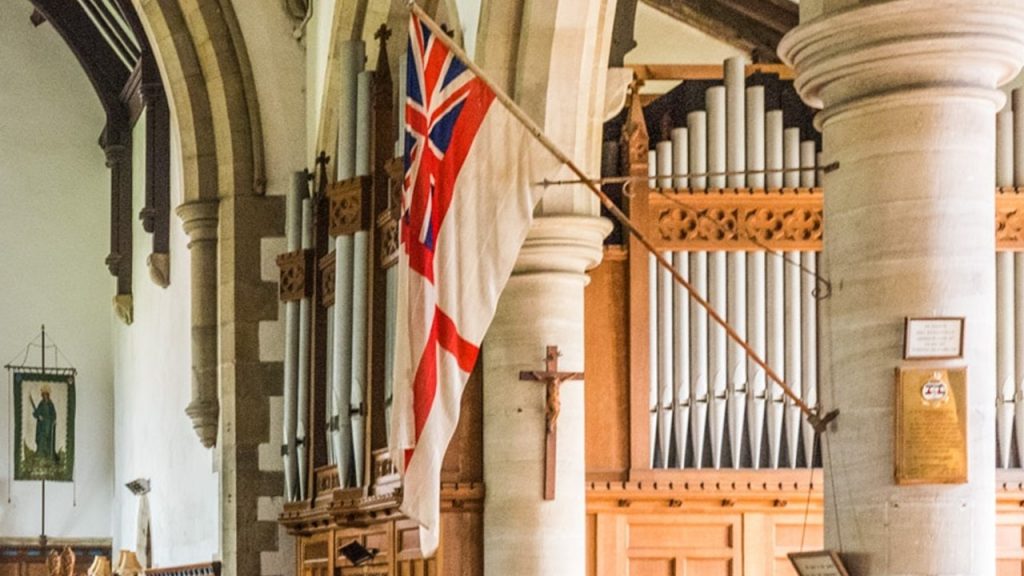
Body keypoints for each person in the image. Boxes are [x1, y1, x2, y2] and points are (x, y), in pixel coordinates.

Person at [31, 384, 57, 460]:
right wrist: (38, 416)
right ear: (42, 395)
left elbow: (54, 414)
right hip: (41, 425)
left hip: (48, 424)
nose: (45, 396)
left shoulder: (50, 404)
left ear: (48, 395)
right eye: (43, 395)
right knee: (41, 438)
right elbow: (36, 413)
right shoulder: (41, 404)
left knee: (47, 438)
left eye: (46, 395)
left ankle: (48, 454)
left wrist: (53, 420)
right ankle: (40, 454)